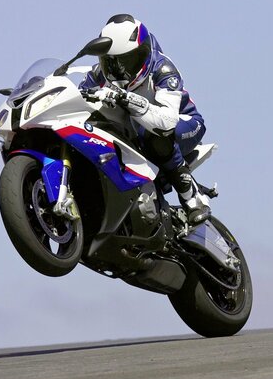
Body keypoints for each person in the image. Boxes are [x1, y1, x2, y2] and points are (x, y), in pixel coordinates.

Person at [79, 14, 210, 225]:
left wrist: (126, 98)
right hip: (133, 130)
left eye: (127, 61)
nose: (119, 70)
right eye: (111, 63)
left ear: (143, 53)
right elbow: (79, 99)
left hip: (184, 124)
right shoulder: (97, 75)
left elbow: (166, 120)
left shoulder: (163, 69)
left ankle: (190, 195)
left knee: (152, 134)